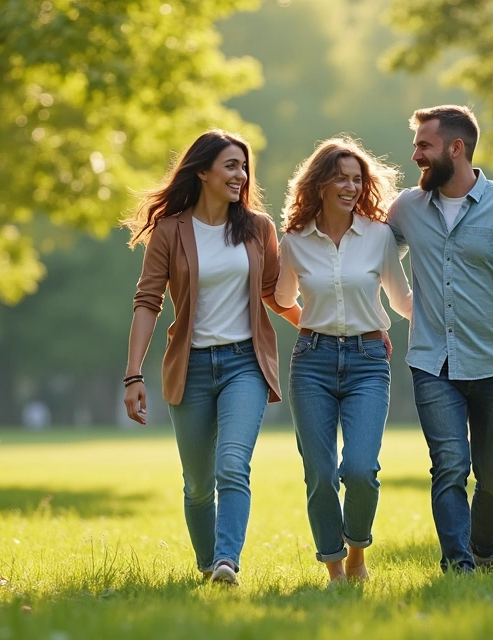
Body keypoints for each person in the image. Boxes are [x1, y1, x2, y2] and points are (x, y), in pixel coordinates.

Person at [120, 130, 301, 586]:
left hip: (246, 364)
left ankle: (226, 561)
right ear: (202, 171)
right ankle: (208, 566)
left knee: (233, 464)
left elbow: (274, 294)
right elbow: (148, 301)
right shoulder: (170, 231)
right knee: (198, 484)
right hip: (192, 367)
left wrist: (323, 326)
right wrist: (133, 374)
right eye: (231, 166)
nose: (241, 175)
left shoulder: (258, 228)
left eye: (244, 167)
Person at [387, 106, 493, 574]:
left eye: (424, 145)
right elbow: (369, 253)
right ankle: (458, 566)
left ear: (456, 148)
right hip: (431, 362)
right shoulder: (406, 208)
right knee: (449, 466)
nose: (416, 155)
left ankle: (482, 554)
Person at [276, 137, 412, 587]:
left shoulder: (378, 237)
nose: (351, 187)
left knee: (360, 469)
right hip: (311, 363)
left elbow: (402, 300)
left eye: (357, 179)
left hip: (368, 361)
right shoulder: (294, 241)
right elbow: (281, 298)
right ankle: (335, 569)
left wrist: (449, 314)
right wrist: (317, 323)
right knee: (319, 473)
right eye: (341, 178)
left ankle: (356, 553)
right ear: (319, 184)